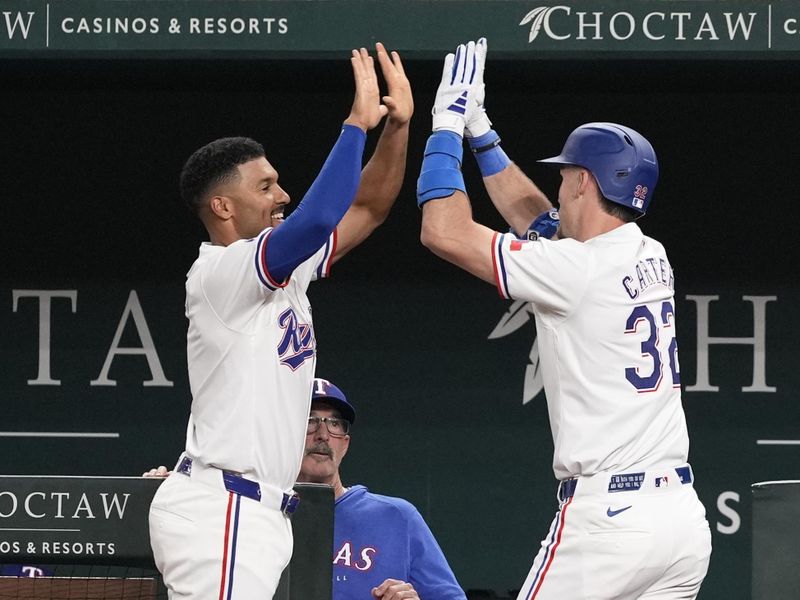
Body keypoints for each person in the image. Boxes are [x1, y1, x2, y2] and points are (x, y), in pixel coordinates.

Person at [416, 38, 711, 599]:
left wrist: (446, 129)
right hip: (680, 521)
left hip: (610, 520)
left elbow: (444, 232)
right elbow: (543, 226)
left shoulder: (577, 270)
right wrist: (485, 136)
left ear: (583, 182)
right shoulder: (650, 252)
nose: (559, 183)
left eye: (565, 174)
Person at [148, 43, 413, 600]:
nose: (282, 194)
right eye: (265, 186)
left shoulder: (283, 271)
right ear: (223, 207)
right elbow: (318, 216)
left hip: (259, 512)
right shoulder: (223, 271)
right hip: (222, 509)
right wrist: (354, 126)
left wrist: (396, 130)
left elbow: (366, 208)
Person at [145, 377, 465, 600]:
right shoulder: (243, 510)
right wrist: (162, 498)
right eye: (309, 421)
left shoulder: (396, 517)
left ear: (346, 444)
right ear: (281, 436)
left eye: (335, 424)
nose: (323, 435)